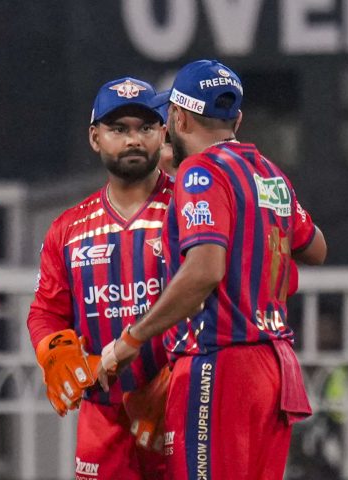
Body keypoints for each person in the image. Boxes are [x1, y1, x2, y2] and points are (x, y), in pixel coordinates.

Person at [96, 60, 327, 480]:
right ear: (236, 119)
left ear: (179, 118)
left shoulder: (200, 172)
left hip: (219, 363)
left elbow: (204, 271)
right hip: (274, 367)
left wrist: (129, 342)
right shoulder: (269, 173)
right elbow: (315, 248)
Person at [27, 77, 172, 480]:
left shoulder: (189, 208)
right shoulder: (67, 229)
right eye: (119, 129)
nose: (134, 139)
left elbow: (222, 299)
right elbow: (45, 312)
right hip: (103, 418)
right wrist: (54, 351)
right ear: (94, 138)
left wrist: (179, 380)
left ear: (163, 133)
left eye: (146, 127)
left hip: (179, 408)